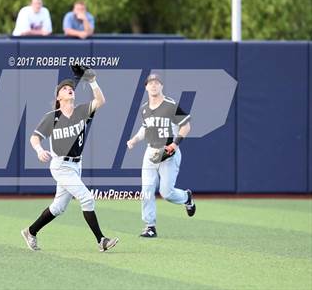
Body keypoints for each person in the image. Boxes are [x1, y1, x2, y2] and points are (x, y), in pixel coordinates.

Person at [21, 68, 119, 252]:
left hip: (76, 165)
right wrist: (38, 149)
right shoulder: (52, 117)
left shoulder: (82, 111)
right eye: (64, 88)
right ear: (58, 97)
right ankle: (101, 240)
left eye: (70, 87)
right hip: (60, 166)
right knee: (87, 198)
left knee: (58, 207)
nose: (69, 89)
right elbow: (34, 137)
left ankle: (30, 231)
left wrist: (92, 81)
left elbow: (100, 101)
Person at [127, 74, 196, 238]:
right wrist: (135, 140)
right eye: (150, 83)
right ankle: (150, 226)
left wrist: (175, 144)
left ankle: (186, 197)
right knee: (147, 190)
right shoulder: (144, 108)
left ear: (161, 86)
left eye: (157, 83)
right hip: (150, 151)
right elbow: (145, 128)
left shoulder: (170, 105)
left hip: (169, 151)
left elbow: (186, 126)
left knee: (167, 193)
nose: (153, 85)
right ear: (146, 87)